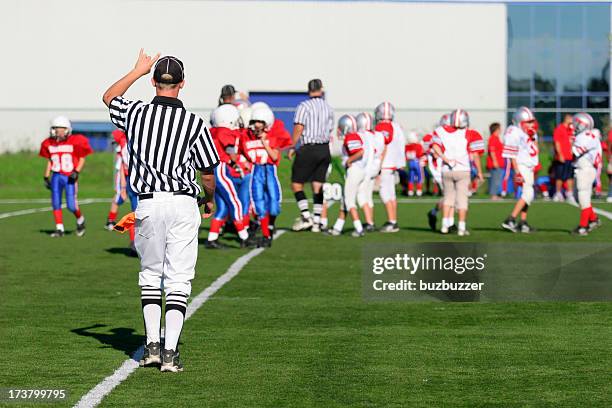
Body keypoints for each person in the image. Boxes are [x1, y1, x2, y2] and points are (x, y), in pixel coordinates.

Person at [103, 50, 220, 372]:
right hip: (183, 202)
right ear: (182, 84)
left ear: (154, 81)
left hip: (149, 203)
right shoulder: (194, 122)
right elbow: (208, 171)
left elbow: (110, 96)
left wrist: (136, 70)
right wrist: (209, 197)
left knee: (150, 276)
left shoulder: (136, 113)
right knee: (179, 279)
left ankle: (152, 347)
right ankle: (170, 353)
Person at [239, 105, 290, 247]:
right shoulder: (246, 138)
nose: (256, 125)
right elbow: (241, 153)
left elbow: (274, 157)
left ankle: (269, 227)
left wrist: (264, 143)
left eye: (259, 122)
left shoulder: (272, 137)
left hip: (269, 172)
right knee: (258, 205)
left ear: (266, 123)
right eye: (254, 121)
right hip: (256, 172)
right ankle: (266, 236)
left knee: (274, 203)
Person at [289, 79, 334, 232]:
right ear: (321, 90)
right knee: (317, 185)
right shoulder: (328, 107)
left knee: (296, 184)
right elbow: (330, 129)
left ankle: (306, 216)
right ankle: (316, 221)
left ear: (309, 90)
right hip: (324, 148)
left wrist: (292, 145)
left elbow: (299, 127)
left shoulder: (304, 106)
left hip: (309, 147)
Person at [205, 104, 251, 249]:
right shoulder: (224, 132)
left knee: (223, 207)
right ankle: (244, 237)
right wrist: (237, 160)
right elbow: (230, 151)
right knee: (236, 203)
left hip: (211, 172)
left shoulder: (212, 131)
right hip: (220, 171)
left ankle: (212, 238)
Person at [431, 109, 484, 236]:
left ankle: (444, 226)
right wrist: (480, 172)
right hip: (463, 170)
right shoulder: (471, 133)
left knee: (448, 198)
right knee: (462, 200)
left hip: (446, 169)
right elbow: (475, 155)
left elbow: (435, 147)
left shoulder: (441, 131)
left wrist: (445, 159)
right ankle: (461, 227)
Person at [39, 116, 92, 237]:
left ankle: (80, 219)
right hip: (56, 176)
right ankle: (59, 228)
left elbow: (82, 158)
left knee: (71, 205)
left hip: (69, 176)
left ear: (68, 130)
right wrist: (46, 176)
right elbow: (50, 161)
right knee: (56, 202)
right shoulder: (49, 144)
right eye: (57, 129)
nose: (59, 132)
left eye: (62, 129)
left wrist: (77, 171)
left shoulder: (75, 141)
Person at [501, 107, 539, 233]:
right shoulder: (514, 132)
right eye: (527, 122)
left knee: (527, 195)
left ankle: (523, 222)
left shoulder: (531, 132)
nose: (531, 124)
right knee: (528, 194)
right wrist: (517, 171)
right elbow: (511, 154)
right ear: (519, 122)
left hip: (529, 167)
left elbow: (533, 148)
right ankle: (510, 219)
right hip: (521, 165)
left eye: (531, 121)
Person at [105, 129, 139, 253]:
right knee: (138, 213)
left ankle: (133, 240)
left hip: (134, 180)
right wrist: (123, 188)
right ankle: (133, 241)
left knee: (138, 213)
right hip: (136, 181)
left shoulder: (126, 144)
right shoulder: (128, 144)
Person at [374, 101, 406, 232]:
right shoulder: (397, 127)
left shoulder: (381, 127)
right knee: (391, 195)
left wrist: (377, 167)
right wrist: (400, 164)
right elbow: (401, 146)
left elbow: (381, 147)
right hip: (393, 165)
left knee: (385, 194)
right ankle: (394, 221)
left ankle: (391, 222)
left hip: (385, 165)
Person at [571, 113, 602, 235]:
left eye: (577, 124)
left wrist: (569, 140)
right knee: (578, 197)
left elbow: (574, 153)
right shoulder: (588, 135)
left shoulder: (586, 136)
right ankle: (593, 219)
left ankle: (583, 226)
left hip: (586, 168)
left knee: (583, 197)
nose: (574, 126)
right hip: (583, 168)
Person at [552, 114, 576, 203]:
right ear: (566, 119)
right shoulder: (559, 128)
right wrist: (560, 154)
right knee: (560, 176)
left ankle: (569, 193)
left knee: (570, 176)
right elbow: (557, 142)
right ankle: (558, 193)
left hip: (570, 157)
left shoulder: (571, 130)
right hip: (562, 157)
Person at [486, 122, 504, 200]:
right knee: (495, 179)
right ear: (496, 129)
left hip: (499, 162)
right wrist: (495, 161)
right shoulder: (493, 138)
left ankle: (496, 194)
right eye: (499, 129)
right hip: (495, 163)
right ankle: (493, 195)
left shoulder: (497, 138)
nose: (501, 130)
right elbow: (492, 151)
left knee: (498, 179)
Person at [404, 132, 424, 196]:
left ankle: (410, 191)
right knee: (419, 177)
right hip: (417, 162)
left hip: (410, 163)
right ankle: (419, 190)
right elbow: (420, 154)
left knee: (411, 177)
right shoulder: (418, 146)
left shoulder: (406, 146)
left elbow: (406, 155)